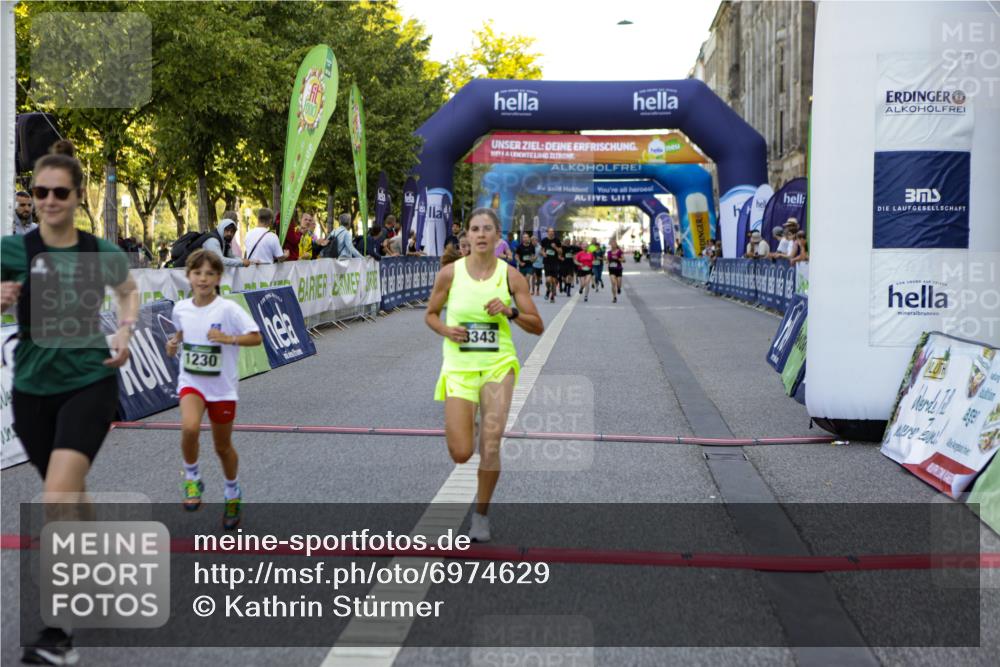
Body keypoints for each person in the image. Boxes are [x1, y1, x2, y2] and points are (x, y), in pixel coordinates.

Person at [1, 140, 138, 666]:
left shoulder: (99, 252)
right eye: (40, 192)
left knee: (56, 494)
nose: (49, 200)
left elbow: (127, 290)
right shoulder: (13, 250)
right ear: (31, 196)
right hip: (33, 389)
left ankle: (56, 631)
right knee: (68, 489)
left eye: (60, 192)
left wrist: (126, 329)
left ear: (78, 196)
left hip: (90, 380)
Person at [425, 208, 544, 542]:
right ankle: (471, 419)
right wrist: (447, 330)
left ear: (496, 236)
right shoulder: (449, 274)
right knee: (462, 452)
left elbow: (537, 326)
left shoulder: (511, 277)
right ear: (468, 235)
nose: (480, 234)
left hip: (498, 365)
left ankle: (480, 516)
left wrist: (510, 311)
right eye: (474, 229)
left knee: (490, 445)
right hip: (459, 368)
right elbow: (431, 315)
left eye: (486, 229)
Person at [165, 249, 263, 531]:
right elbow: (181, 333)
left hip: (222, 388)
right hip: (192, 383)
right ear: (189, 277)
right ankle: (192, 478)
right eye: (197, 273)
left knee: (222, 447)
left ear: (219, 277)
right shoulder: (180, 308)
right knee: (190, 428)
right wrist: (173, 344)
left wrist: (228, 338)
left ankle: (232, 492)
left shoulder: (228, 309)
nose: (203, 279)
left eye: (209, 274)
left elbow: (255, 337)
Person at [539, 227, 562, 303]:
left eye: (553, 231)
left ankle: (552, 296)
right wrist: (543, 253)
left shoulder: (557, 240)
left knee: (554, 281)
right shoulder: (544, 240)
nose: (551, 233)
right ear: (547, 232)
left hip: (555, 262)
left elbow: (560, 252)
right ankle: (548, 290)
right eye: (550, 231)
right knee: (548, 280)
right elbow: (541, 250)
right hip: (547, 262)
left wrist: (555, 247)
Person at [607, 238, 625, 303]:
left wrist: (617, 258)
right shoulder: (609, 252)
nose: (612, 245)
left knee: (619, 284)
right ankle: (614, 297)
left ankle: (619, 288)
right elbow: (607, 260)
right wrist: (606, 261)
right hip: (611, 269)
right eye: (611, 244)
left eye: (614, 243)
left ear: (616, 244)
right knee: (613, 283)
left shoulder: (620, 251)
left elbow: (624, 260)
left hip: (618, 269)